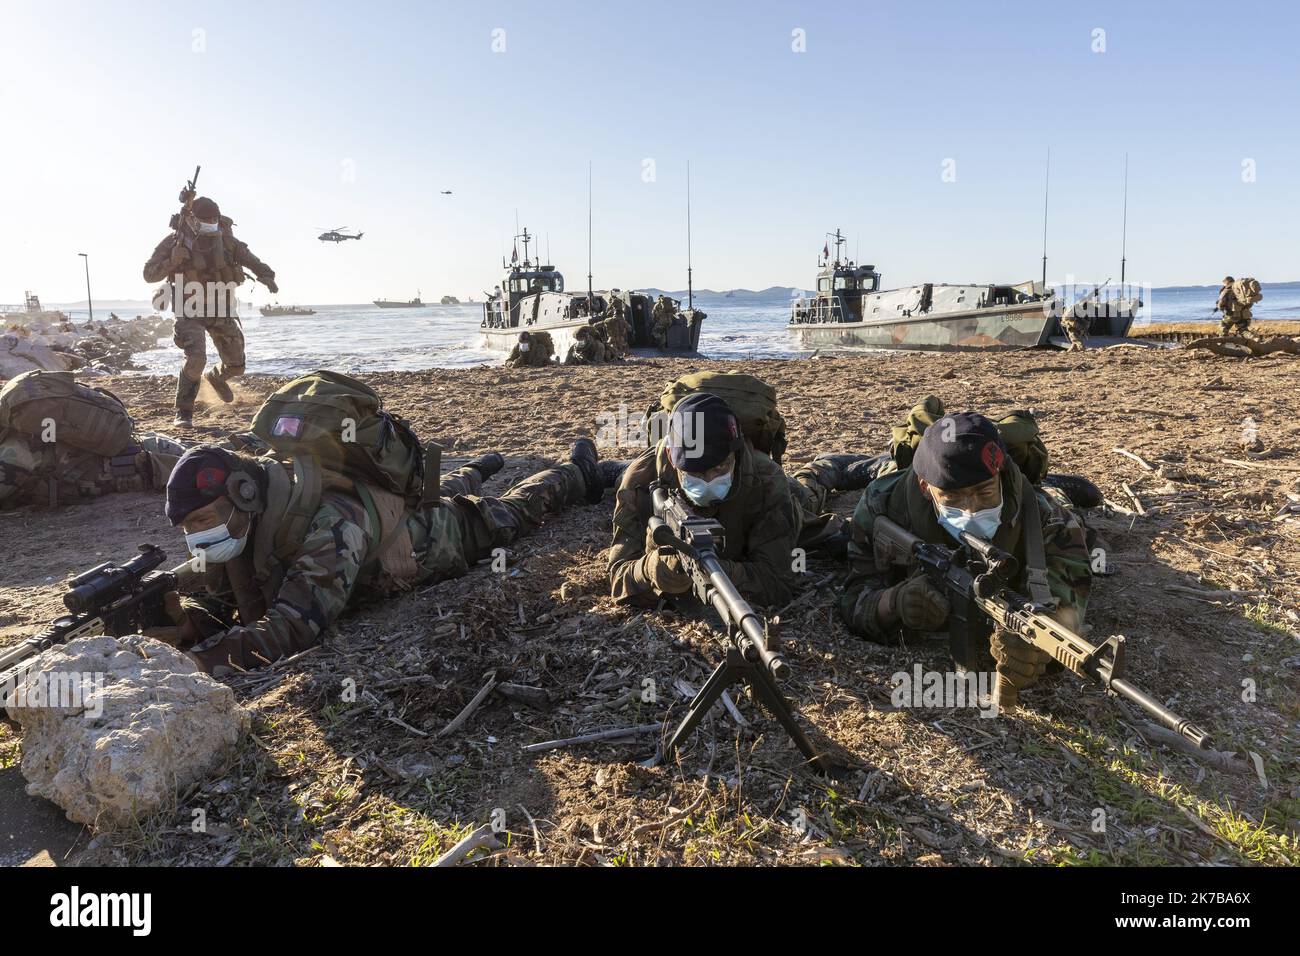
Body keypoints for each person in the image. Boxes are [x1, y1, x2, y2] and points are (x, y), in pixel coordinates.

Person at [158, 438, 610, 674]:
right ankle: (480, 468)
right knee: (446, 487)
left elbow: (294, 628)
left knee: (512, 512)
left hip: (434, 538)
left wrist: (200, 662)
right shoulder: (245, 522)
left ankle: (578, 471)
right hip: (383, 518)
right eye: (191, 528)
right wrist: (186, 624)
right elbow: (228, 602)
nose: (202, 536)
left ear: (244, 492)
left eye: (205, 520)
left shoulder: (326, 524)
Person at [838, 411, 1092, 707]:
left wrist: (1038, 651)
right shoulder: (882, 504)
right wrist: (894, 601)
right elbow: (853, 596)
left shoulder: (1048, 518)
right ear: (925, 488)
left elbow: (1070, 604)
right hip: (897, 482)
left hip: (1037, 504)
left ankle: (1058, 484)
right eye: (953, 498)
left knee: (1083, 500)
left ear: (999, 475)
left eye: (984, 493)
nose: (971, 510)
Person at [608, 393, 879, 607]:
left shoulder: (767, 480)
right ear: (670, 457)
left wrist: (716, 571)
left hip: (780, 495)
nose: (707, 481)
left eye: (719, 469)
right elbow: (618, 578)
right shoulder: (640, 481)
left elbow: (779, 583)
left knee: (808, 498)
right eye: (693, 473)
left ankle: (827, 467)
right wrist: (654, 570)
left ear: (736, 455)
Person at [142, 195, 277, 427]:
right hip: (188, 311)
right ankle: (183, 411)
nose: (211, 222)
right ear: (193, 219)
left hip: (220, 310)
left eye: (214, 218)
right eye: (206, 219)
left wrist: (267, 277)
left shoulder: (226, 242)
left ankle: (215, 377)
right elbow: (149, 275)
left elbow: (253, 261)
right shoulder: (174, 242)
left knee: (237, 365)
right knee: (196, 358)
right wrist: (171, 262)